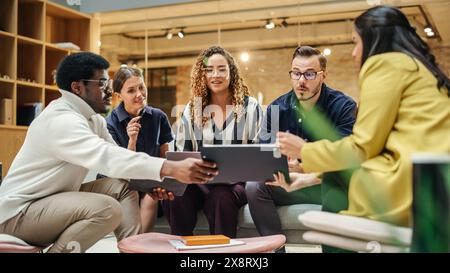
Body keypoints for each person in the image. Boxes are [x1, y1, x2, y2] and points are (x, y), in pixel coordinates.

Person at [0, 52, 218, 253]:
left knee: (122, 187)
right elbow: (107, 157)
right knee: (107, 208)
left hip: (50, 200)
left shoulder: (93, 119)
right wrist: (170, 167)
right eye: (102, 83)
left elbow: (119, 161)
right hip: (18, 213)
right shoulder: (61, 120)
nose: (109, 89)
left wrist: (153, 185)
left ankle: (133, 250)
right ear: (77, 88)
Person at [274, 6, 450, 229]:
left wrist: (303, 151)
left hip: (411, 182)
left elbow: (362, 148)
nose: (354, 52)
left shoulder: (384, 64)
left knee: (337, 184)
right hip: (434, 176)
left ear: (373, 39)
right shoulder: (418, 68)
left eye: (356, 42)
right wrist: (309, 177)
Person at [245, 46, 357, 242]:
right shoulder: (276, 108)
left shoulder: (343, 107)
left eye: (310, 74)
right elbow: (265, 157)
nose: (301, 81)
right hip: (288, 181)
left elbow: (346, 156)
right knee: (254, 186)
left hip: (325, 183)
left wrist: (305, 168)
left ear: (323, 75)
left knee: (337, 181)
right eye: (296, 73)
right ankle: (276, 249)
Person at [163, 46, 263, 238]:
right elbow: (182, 151)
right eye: (209, 70)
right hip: (200, 181)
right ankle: (182, 248)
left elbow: (259, 154)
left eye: (221, 69)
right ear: (203, 74)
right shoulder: (193, 109)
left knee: (220, 196)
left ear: (231, 72)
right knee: (177, 194)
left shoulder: (250, 107)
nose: (215, 75)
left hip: (236, 184)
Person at [105, 66, 173, 233]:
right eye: (131, 90)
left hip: (149, 178)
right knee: (133, 193)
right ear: (119, 96)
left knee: (152, 196)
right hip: (121, 179)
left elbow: (165, 156)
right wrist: (132, 141)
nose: (139, 94)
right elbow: (120, 166)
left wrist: (168, 180)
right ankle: (136, 246)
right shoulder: (109, 123)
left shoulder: (158, 117)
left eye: (141, 87)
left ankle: (140, 246)